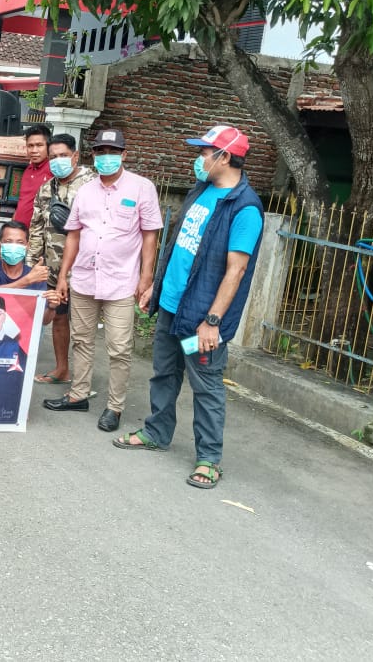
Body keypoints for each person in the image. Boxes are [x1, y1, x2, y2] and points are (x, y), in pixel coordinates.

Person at [113, 125, 264, 490]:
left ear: (225, 157)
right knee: (164, 374)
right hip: (172, 305)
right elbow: (180, 245)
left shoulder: (245, 208)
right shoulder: (201, 190)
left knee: (206, 386)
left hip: (201, 317)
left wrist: (213, 320)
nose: (198, 159)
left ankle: (209, 459)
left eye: (204, 152)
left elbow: (236, 270)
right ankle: (157, 432)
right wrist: (157, 286)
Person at [45, 129, 162, 433]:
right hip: (84, 278)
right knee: (81, 340)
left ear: (124, 154)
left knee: (119, 348)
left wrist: (146, 277)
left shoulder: (142, 188)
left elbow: (150, 236)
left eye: (112, 151)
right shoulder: (86, 191)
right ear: (93, 155)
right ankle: (78, 395)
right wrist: (63, 276)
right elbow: (74, 235)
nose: (106, 157)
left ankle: (115, 407)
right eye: (100, 151)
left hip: (121, 281)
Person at [27, 133, 96, 385]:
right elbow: (37, 227)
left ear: (75, 156)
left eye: (63, 156)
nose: (58, 161)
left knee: (82, 325)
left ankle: (82, 383)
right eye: (53, 157)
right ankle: (62, 369)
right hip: (53, 268)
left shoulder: (94, 186)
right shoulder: (47, 188)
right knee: (58, 317)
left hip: (84, 268)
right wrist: (33, 263)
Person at [0, 220, 48, 291]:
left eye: (20, 242)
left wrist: (51, 297)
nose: (14, 246)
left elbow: (41, 297)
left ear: (27, 246)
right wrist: (27, 281)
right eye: (8, 241)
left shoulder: (36, 275)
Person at [13, 125, 53, 225]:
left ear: (48, 147)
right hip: (20, 230)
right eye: (30, 146)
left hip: (39, 231)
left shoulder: (53, 169)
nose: (34, 150)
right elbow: (22, 202)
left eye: (39, 145)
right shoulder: (28, 170)